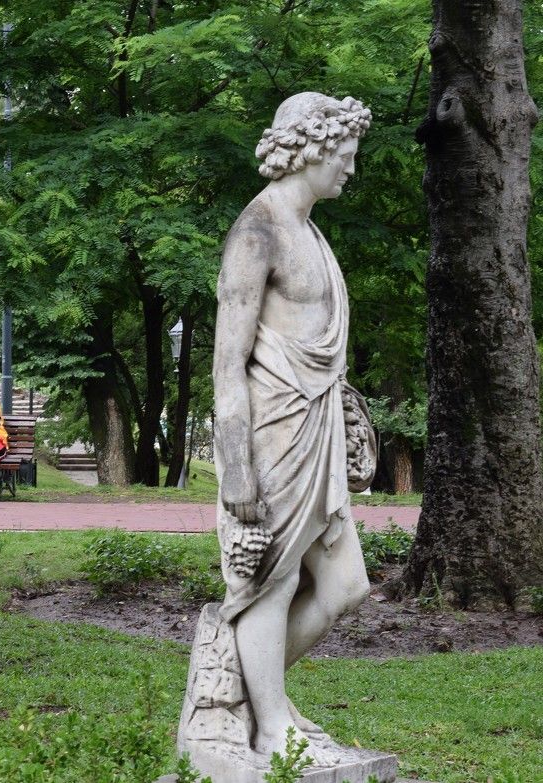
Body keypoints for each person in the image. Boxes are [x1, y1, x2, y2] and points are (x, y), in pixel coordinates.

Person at [206, 93, 373, 764]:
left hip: (318, 430)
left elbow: (317, 348)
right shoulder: (258, 231)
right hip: (270, 432)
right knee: (269, 581)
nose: (351, 171)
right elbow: (226, 363)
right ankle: (272, 723)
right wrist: (236, 473)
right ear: (315, 146)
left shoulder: (312, 233)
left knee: (346, 585)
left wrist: (350, 421)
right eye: (348, 156)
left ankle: (244, 698)